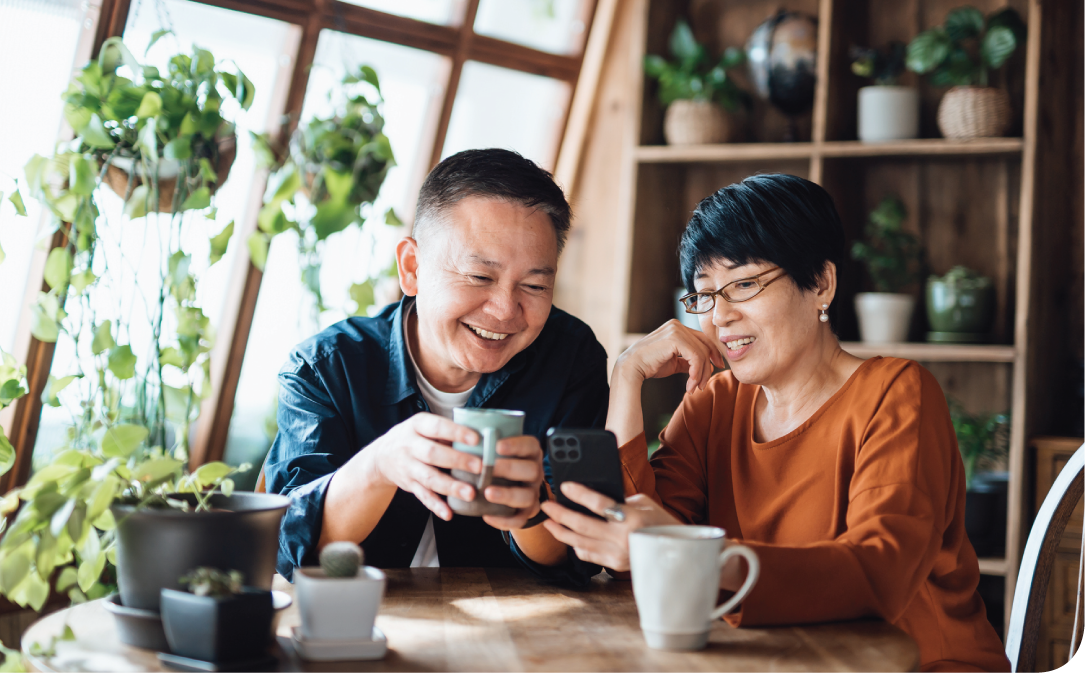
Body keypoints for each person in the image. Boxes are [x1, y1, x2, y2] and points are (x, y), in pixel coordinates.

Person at [540, 174, 1010, 672]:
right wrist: (626, 376)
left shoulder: (896, 395)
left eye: (743, 284)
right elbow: (635, 559)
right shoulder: (714, 403)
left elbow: (879, 573)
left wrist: (688, 555)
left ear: (821, 283)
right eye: (703, 295)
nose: (719, 317)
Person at [266, 148, 606, 584]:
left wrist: (531, 511)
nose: (505, 310)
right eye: (480, 277)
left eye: (535, 284)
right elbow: (293, 551)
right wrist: (380, 464)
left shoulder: (570, 359)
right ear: (412, 267)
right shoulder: (327, 369)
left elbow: (582, 555)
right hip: (362, 622)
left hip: (517, 635)